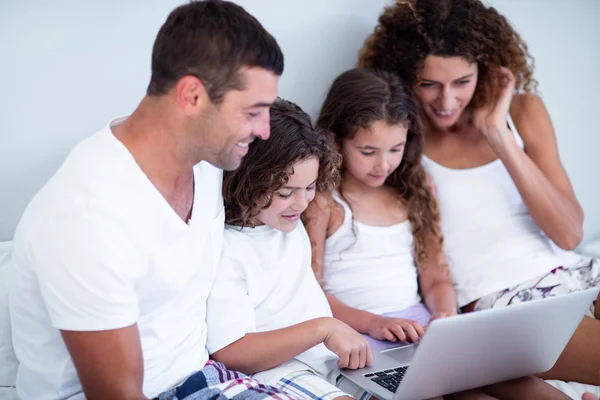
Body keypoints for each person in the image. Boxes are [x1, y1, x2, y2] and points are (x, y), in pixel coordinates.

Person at [7, 1, 295, 399]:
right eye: (253, 112)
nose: (264, 130)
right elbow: (117, 393)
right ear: (192, 96)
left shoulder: (207, 162)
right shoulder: (85, 216)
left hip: (202, 377)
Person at [356, 0, 600, 385]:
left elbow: (569, 233)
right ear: (405, 77)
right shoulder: (397, 143)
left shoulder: (521, 112)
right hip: (503, 303)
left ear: (484, 70)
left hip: (578, 273)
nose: (447, 101)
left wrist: (498, 134)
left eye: (461, 82)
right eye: (429, 84)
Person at [303, 68, 571, 399]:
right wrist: (372, 322)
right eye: (368, 151)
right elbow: (307, 292)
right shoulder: (324, 202)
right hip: (359, 336)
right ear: (336, 139)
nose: (383, 165)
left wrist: (445, 315)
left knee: (513, 379)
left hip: (418, 330)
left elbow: (435, 277)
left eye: (395, 149)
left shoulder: (413, 191)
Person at [206, 98, 372, 400]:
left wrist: (372, 323)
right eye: (285, 192)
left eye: (309, 188)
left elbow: (303, 298)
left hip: (328, 360)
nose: (301, 203)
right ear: (247, 180)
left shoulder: (287, 225)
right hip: (279, 368)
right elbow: (230, 351)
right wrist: (323, 328)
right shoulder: (228, 249)